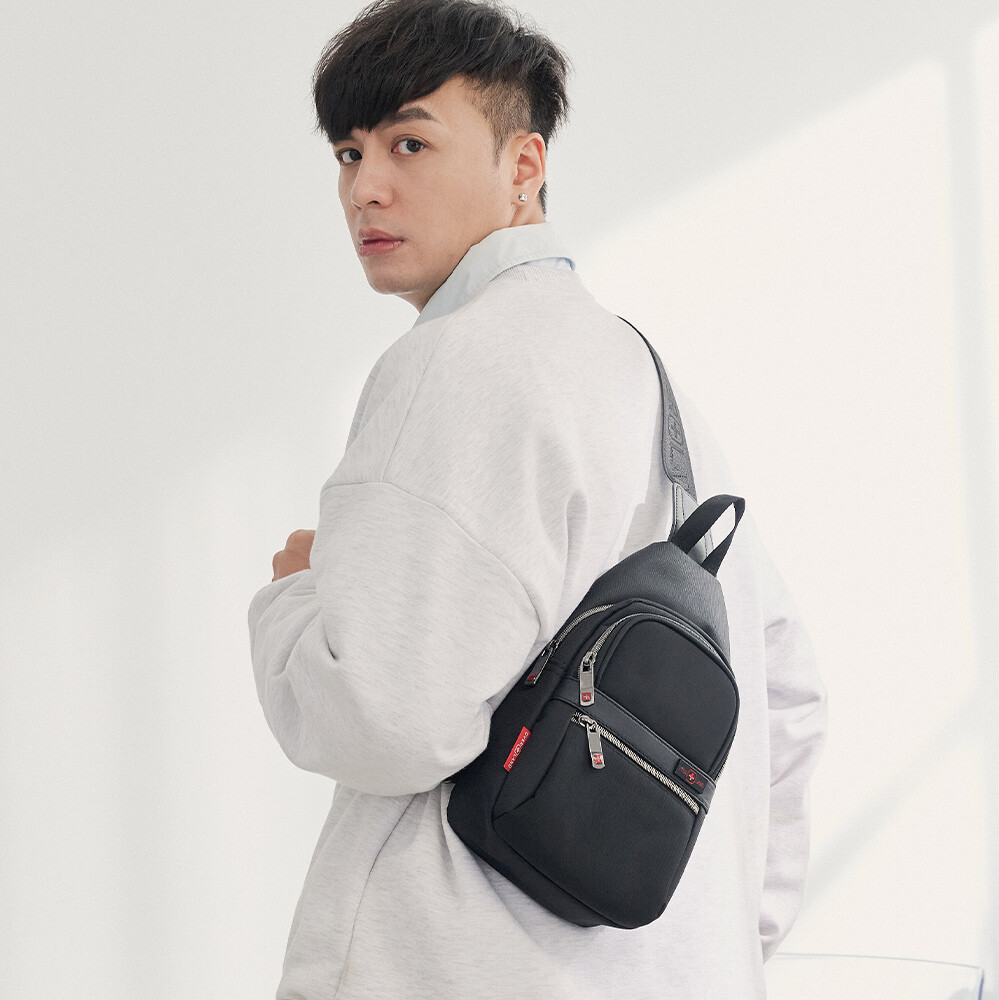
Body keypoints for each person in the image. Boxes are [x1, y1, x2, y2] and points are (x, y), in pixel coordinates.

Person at [247, 0, 828, 997]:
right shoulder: (650, 388)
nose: (365, 187)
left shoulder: (456, 364)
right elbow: (787, 702)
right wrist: (723, 942)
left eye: (410, 143)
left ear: (524, 166)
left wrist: (296, 596)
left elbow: (386, 722)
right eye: (348, 153)